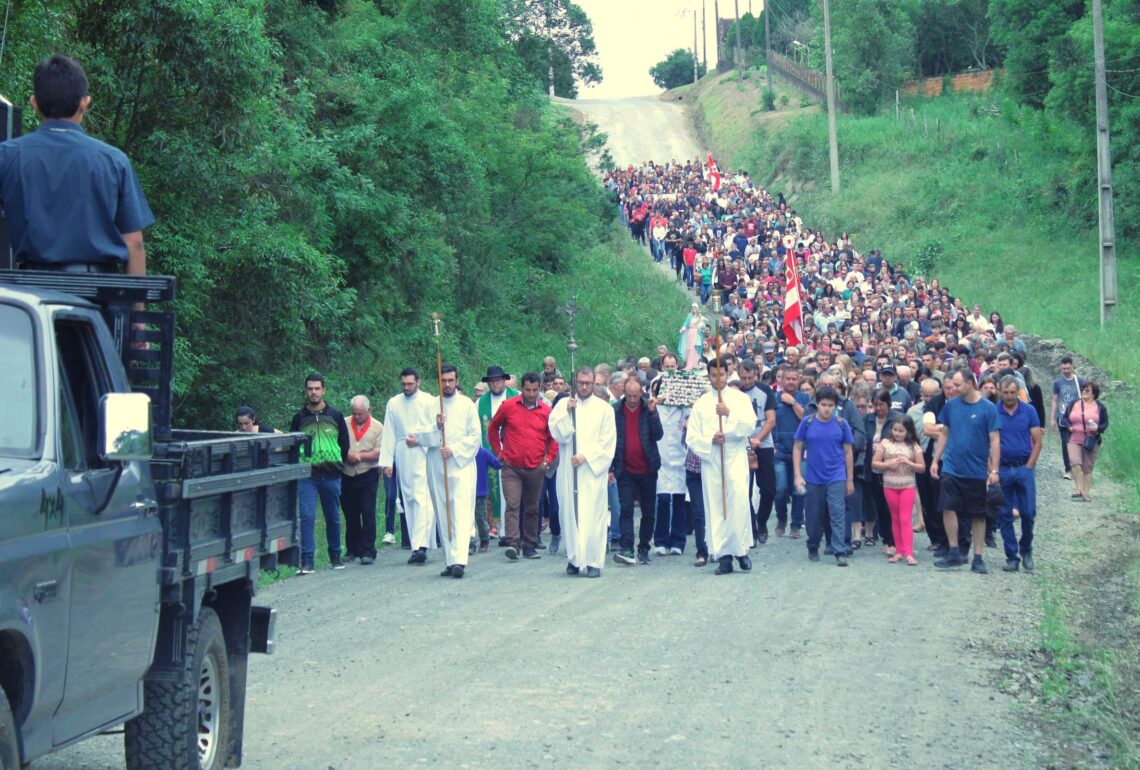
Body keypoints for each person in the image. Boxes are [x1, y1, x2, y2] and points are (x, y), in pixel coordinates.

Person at [1, 55, 153, 274]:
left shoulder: (7, 156)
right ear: (85, 103)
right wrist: (135, 308)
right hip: (97, 293)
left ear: (34, 103)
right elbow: (134, 244)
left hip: (31, 291)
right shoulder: (113, 160)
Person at [687, 359, 756, 575]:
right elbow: (692, 437)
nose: (718, 378)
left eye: (722, 374)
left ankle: (741, 551)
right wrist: (710, 439)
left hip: (734, 457)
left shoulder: (740, 399)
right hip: (713, 461)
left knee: (737, 503)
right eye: (714, 375)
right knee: (717, 508)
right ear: (709, 376)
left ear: (728, 374)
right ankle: (723, 556)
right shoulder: (701, 404)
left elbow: (749, 425)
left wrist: (729, 414)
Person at [931, 368, 1001, 573]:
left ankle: (978, 556)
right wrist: (936, 460)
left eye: (958, 385)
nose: (954, 389)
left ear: (971, 383)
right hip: (952, 467)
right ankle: (954, 550)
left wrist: (994, 470)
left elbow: (995, 440)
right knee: (947, 506)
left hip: (977, 470)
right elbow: (945, 432)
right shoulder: (951, 406)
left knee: (978, 514)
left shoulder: (988, 408)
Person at [549, 366, 617, 578]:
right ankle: (574, 558)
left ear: (595, 383)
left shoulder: (604, 409)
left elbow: (608, 442)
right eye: (581, 383)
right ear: (575, 382)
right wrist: (568, 414)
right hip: (569, 472)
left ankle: (593, 560)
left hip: (591, 472)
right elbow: (557, 433)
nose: (585, 387)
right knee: (569, 512)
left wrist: (586, 456)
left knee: (593, 514)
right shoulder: (563, 405)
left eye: (588, 383)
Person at [487, 372, 558, 561]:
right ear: (522, 388)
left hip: (536, 467)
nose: (531, 394)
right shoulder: (509, 406)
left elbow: (553, 439)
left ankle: (529, 544)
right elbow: (493, 427)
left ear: (540, 388)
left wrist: (547, 461)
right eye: (528, 390)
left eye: (535, 390)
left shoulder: (546, 411)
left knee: (533, 506)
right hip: (511, 465)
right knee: (513, 503)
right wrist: (499, 452)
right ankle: (512, 543)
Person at [419, 365, 481, 578]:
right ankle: (449, 559)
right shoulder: (430, 405)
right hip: (437, 463)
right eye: (443, 380)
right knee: (442, 509)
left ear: (457, 380)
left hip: (461, 464)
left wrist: (453, 449)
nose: (447, 384)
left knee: (460, 511)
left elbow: (475, 438)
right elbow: (420, 437)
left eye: (450, 380)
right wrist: (437, 428)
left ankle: (460, 560)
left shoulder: (467, 405)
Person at [290, 373, 351, 573]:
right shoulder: (299, 418)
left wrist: (338, 463)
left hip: (332, 474)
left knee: (332, 516)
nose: (313, 392)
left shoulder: (335, 415)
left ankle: (335, 555)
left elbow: (344, 443)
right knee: (306, 517)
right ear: (305, 391)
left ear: (323, 390)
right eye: (310, 389)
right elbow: (293, 445)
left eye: (317, 388)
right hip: (307, 476)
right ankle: (307, 560)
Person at [378, 368, 439, 565]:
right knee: (409, 498)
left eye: (410, 384)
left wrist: (420, 439)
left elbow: (435, 428)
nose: (406, 387)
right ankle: (415, 546)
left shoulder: (429, 401)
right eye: (403, 384)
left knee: (423, 498)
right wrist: (387, 461)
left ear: (418, 382)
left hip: (422, 453)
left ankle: (422, 545)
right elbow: (389, 431)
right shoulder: (394, 403)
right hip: (403, 452)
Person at [793, 386, 855, 566]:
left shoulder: (842, 424)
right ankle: (813, 544)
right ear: (817, 405)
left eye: (830, 405)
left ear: (835, 406)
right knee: (813, 514)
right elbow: (798, 447)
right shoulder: (807, 422)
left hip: (836, 475)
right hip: (813, 476)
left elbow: (848, 452)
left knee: (837, 513)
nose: (827, 408)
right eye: (823, 404)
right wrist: (798, 475)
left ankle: (839, 549)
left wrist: (849, 479)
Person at [611, 377, 664, 566]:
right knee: (625, 510)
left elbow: (658, 434)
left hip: (648, 469)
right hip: (625, 469)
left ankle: (643, 548)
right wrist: (611, 468)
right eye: (629, 395)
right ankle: (627, 547)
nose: (632, 399)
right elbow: (609, 440)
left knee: (649, 511)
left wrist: (652, 413)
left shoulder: (648, 408)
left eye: (635, 395)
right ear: (623, 393)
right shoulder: (615, 411)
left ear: (641, 392)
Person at [996, 375, 1044, 572]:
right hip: (1003, 468)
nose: (1009, 396)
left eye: (1012, 393)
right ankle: (1011, 556)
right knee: (1004, 514)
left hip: (1024, 467)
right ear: (1000, 392)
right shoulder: (993, 411)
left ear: (1018, 392)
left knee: (1028, 512)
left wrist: (1030, 466)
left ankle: (1026, 548)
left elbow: (1038, 440)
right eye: (1005, 393)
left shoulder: (1029, 410)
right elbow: (989, 441)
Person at [872, 415, 925, 566]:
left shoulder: (913, 445)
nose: (897, 433)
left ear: (908, 431)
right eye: (895, 430)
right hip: (889, 485)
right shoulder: (885, 443)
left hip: (907, 486)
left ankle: (909, 552)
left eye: (901, 431)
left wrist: (909, 463)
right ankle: (899, 550)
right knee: (894, 518)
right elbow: (875, 463)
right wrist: (888, 465)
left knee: (905, 518)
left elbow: (922, 468)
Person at [652, 355, 690, 556]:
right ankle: (660, 540)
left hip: (680, 457)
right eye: (667, 367)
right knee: (663, 499)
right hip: (661, 459)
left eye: (673, 367)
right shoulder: (655, 395)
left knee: (679, 499)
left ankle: (678, 541)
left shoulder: (685, 402)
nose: (670, 370)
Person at [737, 360, 778, 544]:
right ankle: (751, 528)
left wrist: (758, 439)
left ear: (756, 375)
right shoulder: (735, 392)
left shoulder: (765, 390)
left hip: (763, 441)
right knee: (744, 490)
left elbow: (771, 420)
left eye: (749, 377)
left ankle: (762, 521)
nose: (746, 381)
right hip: (741, 443)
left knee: (769, 489)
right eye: (743, 378)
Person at [477, 366, 520, 536]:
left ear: (504, 380)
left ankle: (512, 530)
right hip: (491, 452)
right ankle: (498, 526)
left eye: (498, 380)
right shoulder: (480, 402)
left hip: (514, 450)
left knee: (512, 493)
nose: (495, 384)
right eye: (492, 381)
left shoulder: (516, 396)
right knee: (495, 490)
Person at [341, 395, 383, 565]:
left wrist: (361, 456)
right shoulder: (343, 423)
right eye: (355, 413)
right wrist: (347, 455)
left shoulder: (378, 427)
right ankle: (352, 549)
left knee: (368, 512)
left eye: (360, 414)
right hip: (347, 473)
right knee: (350, 514)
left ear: (368, 411)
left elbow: (380, 451)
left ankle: (368, 550)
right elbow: (338, 444)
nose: (357, 417)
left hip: (368, 473)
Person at [773, 366, 810, 538]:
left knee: (798, 490)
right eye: (787, 378)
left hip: (801, 452)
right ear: (781, 380)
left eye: (794, 379)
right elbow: (770, 421)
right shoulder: (774, 398)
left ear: (799, 379)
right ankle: (781, 519)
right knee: (780, 489)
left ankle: (795, 524)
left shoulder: (805, 398)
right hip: (779, 451)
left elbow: (808, 420)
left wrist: (793, 403)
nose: (791, 382)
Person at [1064, 381, 1108, 503]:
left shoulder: (1100, 407)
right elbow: (1064, 418)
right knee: (1075, 463)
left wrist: (1098, 428)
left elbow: (1105, 423)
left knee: (1088, 467)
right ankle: (1078, 489)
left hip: (1091, 440)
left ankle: (1086, 492)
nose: (1084, 391)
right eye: (1083, 389)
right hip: (1074, 438)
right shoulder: (1074, 404)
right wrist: (1068, 426)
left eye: (1087, 390)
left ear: (1094, 393)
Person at [1048, 356, 1084, 483]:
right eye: (1063, 368)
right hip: (1063, 417)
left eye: (1068, 368)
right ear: (1060, 367)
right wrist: (1052, 418)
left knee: (1079, 442)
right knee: (1065, 443)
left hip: (1077, 417)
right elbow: (1055, 400)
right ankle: (1068, 470)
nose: (1066, 371)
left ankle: (1078, 467)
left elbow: (1086, 397)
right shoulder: (1058, 383)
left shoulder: (1080, 381)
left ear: (1072, 367)